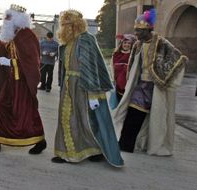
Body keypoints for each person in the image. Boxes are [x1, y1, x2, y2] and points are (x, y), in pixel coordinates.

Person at [52, 10, 123, 167]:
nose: (63, 28)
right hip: (69, 85)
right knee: (66, 119)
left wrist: (92, 93)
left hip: (85, 85)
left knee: (87, 120)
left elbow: (92, 67)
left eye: (66, 24)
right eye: (62, 25)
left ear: (74, 25)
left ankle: (94, 150)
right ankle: (66, 152)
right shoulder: (66, 42)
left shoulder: (86, 40)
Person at [113, 9, 187, 155]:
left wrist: (161, 75)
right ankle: (125, 145)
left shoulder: (161, 43)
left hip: (156, 86)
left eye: (139, 31)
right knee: (133, 113)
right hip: (141, 85)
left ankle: (140, 145)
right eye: (135, 30)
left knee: (155, 118)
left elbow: (178, 58)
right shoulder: (137, 45)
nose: (136, 34)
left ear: (148, 30)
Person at [0, 4, 46, 154]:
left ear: (18, 19)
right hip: (11, 82)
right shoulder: (16, 35)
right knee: (0, 108)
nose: (5, 20)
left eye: (9, 17)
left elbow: (32, 61)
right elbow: (7, 49)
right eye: (5, 17)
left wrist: (11, 62)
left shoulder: (27, 35)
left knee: (27, 113)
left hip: (23, 83)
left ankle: (39, 140)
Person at [111, 34, 136, 103]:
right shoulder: (116, 54)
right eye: (125, 43)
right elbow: (112, 68)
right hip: (118, 85)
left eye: (129, 43)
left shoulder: (133, 55)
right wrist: (113, 80)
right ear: (121, 43)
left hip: (129, 85)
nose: (127, 45)